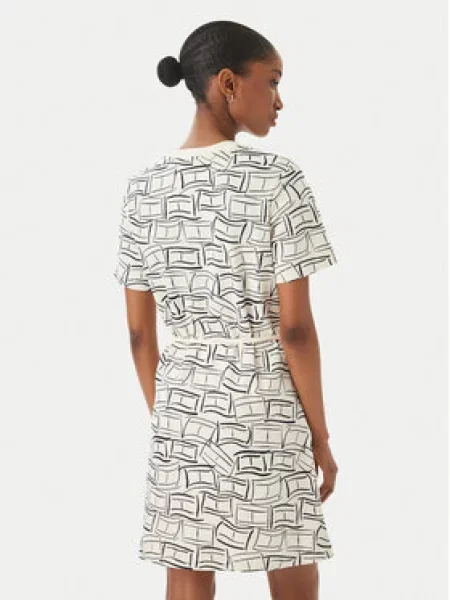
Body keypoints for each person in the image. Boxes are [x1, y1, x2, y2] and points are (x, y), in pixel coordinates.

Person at [113, 19, 339, 600]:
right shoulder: (279, 180)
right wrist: (319, 437)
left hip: (182, 410)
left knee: (186, 574)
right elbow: (295, 330)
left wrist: (173, 421)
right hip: (268, 404)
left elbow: (139, 335)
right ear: (229, 83)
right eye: (273, 81)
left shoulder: (142, 189)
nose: (280, 100)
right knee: (290, 562)